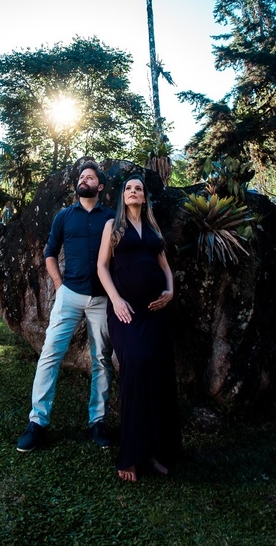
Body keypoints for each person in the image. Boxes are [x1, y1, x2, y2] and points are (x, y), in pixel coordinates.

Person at [17, 162, 115, 453]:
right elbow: (49, 253)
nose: (84, 179)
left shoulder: (111, 218)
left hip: (101, 299)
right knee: (50, 355)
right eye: (81, 176)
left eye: (90, 177)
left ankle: (97, 421)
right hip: (69, 294)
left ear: (100, 187)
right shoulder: (64, 216)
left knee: (102, 359)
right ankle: (37, 422)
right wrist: (59, 285)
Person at [96, 174, 181, 482]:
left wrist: (170, 291)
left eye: (139, 189)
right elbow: (102, 266)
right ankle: (131, 454)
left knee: (158, 375)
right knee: (134, 367)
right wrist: (116, 300)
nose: (133, 192)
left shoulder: (154, 228)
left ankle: (157, 451)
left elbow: (165, 267)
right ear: (123, 196)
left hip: (156, 312)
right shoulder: (113, 227)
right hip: (126, 312)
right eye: (129, 188)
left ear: (145, 197)